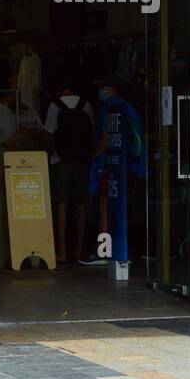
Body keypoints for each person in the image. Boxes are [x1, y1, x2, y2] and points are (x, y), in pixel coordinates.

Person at [85, 78, 144, 267]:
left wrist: (93, 158)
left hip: (111, 165)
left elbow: (105, 138)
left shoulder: (112, 107)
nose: (102, 92)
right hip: (130, 165)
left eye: (104, 88)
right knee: (119, 206)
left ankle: (103, 250)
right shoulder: (129, 108)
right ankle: (117, 249)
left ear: (113, 89)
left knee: (105, 205)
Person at [44, 82, 94, 263]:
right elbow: (92, 131)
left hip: (61, 160)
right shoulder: (86, 104)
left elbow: (49, 132)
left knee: (61, 205)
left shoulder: (55, 105)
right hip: (81, 161)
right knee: (81, 205)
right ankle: (79, 250)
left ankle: (62, 252)